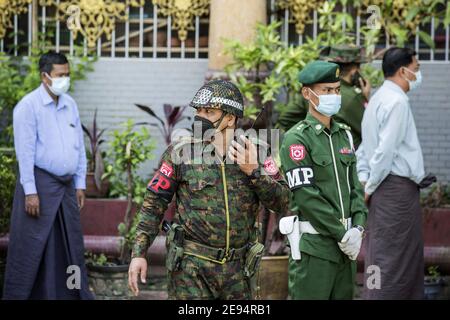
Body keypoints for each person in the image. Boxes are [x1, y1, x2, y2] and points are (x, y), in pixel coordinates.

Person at [128, 79, 290, 299]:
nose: (200, 117)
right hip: (190, 269)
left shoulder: (256, 152)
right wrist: (139, 253)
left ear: (230, 118)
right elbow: (154, 203)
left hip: (239, 272)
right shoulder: (182, 152)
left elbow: (283, 202)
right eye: (199, 111)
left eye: (209, 112)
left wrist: (254, 172)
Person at [3, 51, 92, 299]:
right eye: (60, 75)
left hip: (66, 189)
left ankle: (72, 294)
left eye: (67, 74)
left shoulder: (70, 104)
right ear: (45, 77)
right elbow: (25, 153)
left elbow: (79, 147)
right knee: (31, 248)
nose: (65, 79)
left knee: (70, 245)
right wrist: (30, 192)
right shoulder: (28, 107)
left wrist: (80, 183)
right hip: (39, 187)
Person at [280, 61, 367, 299]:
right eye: (326, 90)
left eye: (337, 90)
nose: (334, 96)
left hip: (347, 249)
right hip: (315, 250)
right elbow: (307, 196)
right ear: (307, 93)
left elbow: (355, 189)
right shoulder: (296, 139)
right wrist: (342, 234)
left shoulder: (344, 136)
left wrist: (358, 227)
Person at [357, 47, 433, 299]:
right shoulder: (397, 101)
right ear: (403, 71)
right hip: (395, 192)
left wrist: (366, 180)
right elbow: (384, 152)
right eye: (417, 68)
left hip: (386, 190)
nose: (418, 73)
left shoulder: (378, 98)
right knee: (394, 261)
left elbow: (364, 149)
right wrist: (369, 187)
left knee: (382, 255)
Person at [278, 45, 371, 149]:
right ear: (354, 69)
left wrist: (309, 138)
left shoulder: (312, 92)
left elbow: (286, 118)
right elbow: (370, 131)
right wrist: (364, 99)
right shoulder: (353, 97)